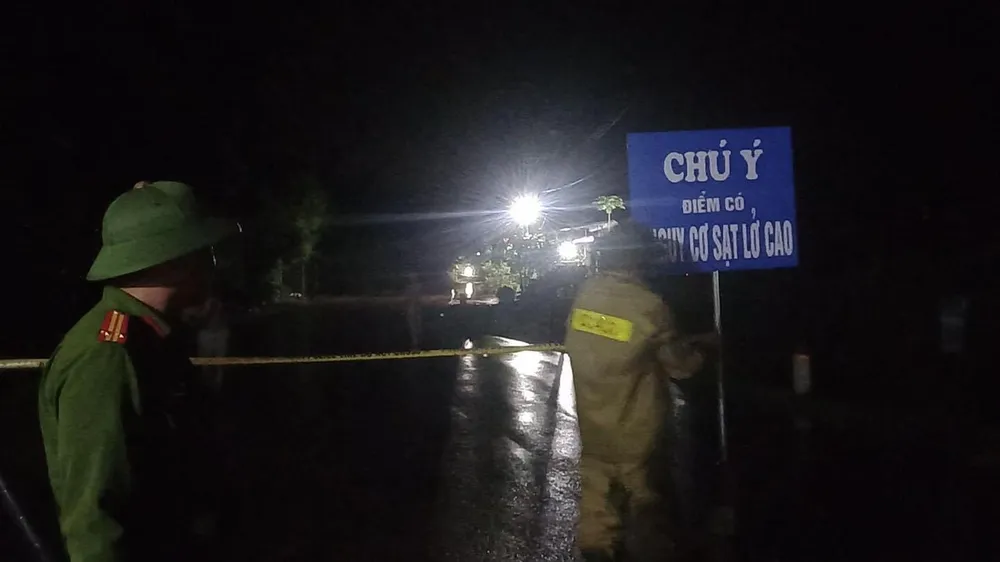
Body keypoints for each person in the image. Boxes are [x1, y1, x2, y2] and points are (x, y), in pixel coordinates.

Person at [37, 181, 240, 562]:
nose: (213, 268)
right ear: (175, 261)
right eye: (205, 253)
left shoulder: (150, 340)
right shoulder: (108, 356)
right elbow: (95, 522)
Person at [565, 222, 714, 562]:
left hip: (593, 423)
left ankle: (597, 548)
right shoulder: (649, 304)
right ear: (640, 259)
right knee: (647, 500)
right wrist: (704, 352)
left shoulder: (587, 294)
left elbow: (611, 341)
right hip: (637, 428)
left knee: (597, 496)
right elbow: (679, 365)